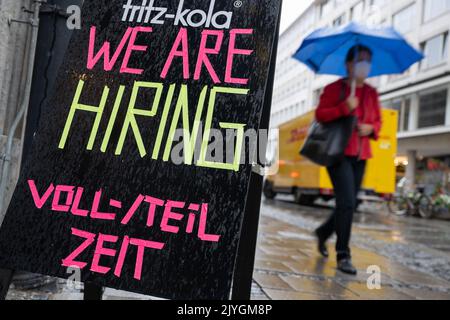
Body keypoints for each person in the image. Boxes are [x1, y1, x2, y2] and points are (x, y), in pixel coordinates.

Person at [314, 45, 382, 275]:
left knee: (349, 204)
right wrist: (345, 107)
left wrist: (370, 128)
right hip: (338, 153)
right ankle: (343, 255)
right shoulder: (334, 88)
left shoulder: (372, 93)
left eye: (368, 60)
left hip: (362, 155)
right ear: (349, 64)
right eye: (361, 60)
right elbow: (320, 115)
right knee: (347, 204)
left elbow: (379, 121)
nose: (366, 65)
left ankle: (323, 232)